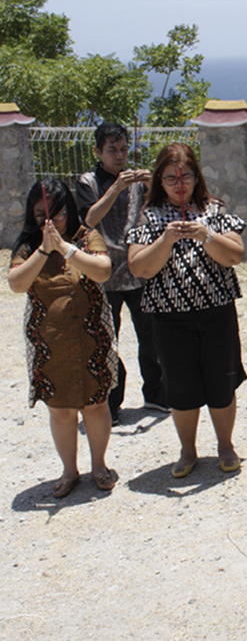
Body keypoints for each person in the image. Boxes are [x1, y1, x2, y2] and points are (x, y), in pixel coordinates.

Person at [127, 143, 246, 478]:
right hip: (169, 318)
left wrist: (207, 236)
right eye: (171, 179)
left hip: (216, 312)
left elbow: (235, 255)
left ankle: (225, 445)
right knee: (180, 386)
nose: (180, 185)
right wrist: (165, 241)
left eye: (186, 177)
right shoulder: (149, 216)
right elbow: (139, 267)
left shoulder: (214, 210)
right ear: (159, 180)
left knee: (221, 382)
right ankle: (188, 450)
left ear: (196, 176)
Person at [8, 179, 117, 498]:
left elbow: (102, 270)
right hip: (50, 344)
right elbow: (17, 283)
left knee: (95, 404)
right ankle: (70, 470)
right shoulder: (28, 246)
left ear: (69, 210)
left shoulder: (86, 237)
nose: (50, 221)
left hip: (90, 338)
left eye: (57, 214)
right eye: (41, 214)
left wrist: (66, 248)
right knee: (60, 409)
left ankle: (99, 466)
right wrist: (45, 249)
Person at [76, 121, 167, 425]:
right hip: (103, 272)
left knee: (151, 337)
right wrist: (116, 188)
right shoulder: (88, 182)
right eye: (112, 150)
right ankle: (111, 402)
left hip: (138, 269)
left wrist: (153, 184)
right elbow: (89, 220)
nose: (119, 156)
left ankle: (156, 393)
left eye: (124, 149)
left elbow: (156, 209)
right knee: (106, 340)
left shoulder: (138, 182)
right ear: (98, 152)